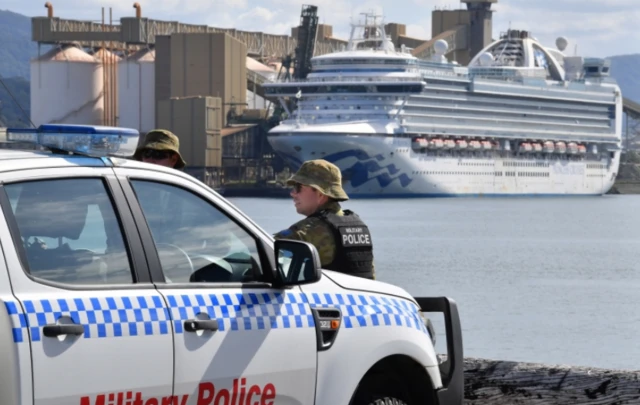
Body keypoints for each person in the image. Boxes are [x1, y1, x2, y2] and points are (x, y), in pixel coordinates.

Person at [274, 159, 375, 280]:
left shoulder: (308, 231)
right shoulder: (359, 226)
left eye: (298, 187)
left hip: (331, 298)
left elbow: (264, 248)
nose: (293, 193)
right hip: (362, 297)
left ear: (320, 194)